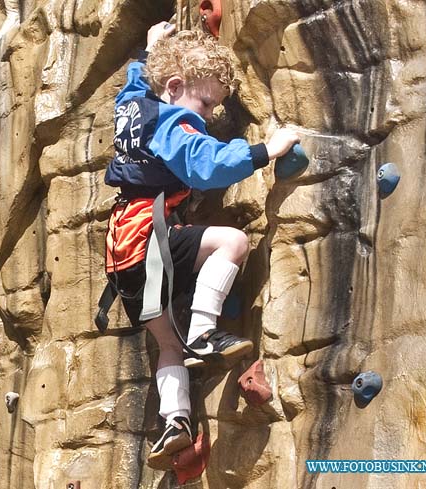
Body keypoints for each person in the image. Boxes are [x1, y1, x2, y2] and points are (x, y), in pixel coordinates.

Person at [103, 22, 300, 469]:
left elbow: (134, 84)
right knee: (232, 242)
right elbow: (204, 166)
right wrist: (265, 151)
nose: (209, 114)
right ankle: (205, 331)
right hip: (146, 238)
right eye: (206, 102)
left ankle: (175, 422)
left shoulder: (135, 105)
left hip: (120, 256)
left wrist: (150, 47)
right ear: (174, 87)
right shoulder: (175, 123)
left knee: (167, 345)